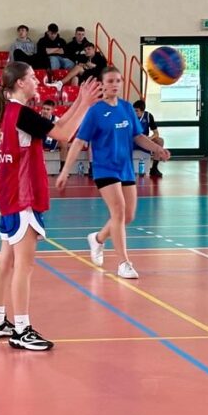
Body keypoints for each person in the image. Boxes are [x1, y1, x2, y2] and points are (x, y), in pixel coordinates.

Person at [0, 62, 101, 351]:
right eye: (32, 77)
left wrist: (79, 101)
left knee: (6, 260)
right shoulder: (21, 113)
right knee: (24, 266)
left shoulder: (12, 111)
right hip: (22, 196)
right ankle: (21, 330)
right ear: (20, 83)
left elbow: (57, 127)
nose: (37, 81)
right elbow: (64, 135)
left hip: (9, 194)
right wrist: (86, 105)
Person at [56, 66, 170, 279]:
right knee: (118, 212)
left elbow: (138, 136)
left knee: (128, 216)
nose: (115, 84)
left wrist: (157, 149)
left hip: (125, 168)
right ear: (101, 85)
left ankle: (98, 239)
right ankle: (123, 263)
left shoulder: (126, 108)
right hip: (104, 169)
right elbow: (79, 141)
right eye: (110, 81)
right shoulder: (95, 111)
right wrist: (65, 171)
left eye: (118, 80)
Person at [132, 98, 164, 178]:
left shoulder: (149, 116)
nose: (134, 112)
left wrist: (149, 138)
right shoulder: (130, 116)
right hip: (133, 140)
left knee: (160, 141)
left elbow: (156, 133)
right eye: (133, 110)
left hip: (144, 141)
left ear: (143, 111)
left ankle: (154, 168)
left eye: (136, 111)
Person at [39, 99, 68, 169]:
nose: (45, 111)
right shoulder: (37, 118)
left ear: (52, 110)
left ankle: (62, 167)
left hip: (52, 140)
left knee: (64, 141)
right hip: (40, 141)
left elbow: (63, 133)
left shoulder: (56, 120)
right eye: (44, 108)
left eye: (48, 109)